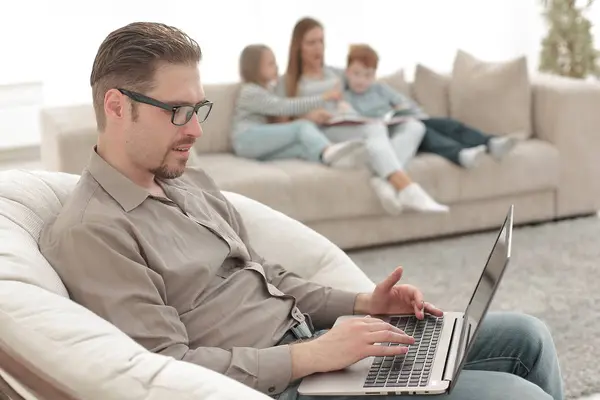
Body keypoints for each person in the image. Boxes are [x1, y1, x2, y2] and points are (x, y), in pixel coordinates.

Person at [38, 21, 563, 400]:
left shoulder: (187, 180)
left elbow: (267, 277)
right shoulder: (94, 231)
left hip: (315, 349)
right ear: (115, 106)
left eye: (198, 109)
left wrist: (364, 304)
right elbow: (165, 370)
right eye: (178, 111)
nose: (196, 129)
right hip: (287, 384)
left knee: (527, 337)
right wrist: (312, 357)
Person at [275, 20, 448, 215]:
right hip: (324, 132)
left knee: (415, 127)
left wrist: (396, 104)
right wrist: (308, 116)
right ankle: (407, 188)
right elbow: (282, 125)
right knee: (373, 128)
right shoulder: (287, 81)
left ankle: (384, 181)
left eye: (321, 41)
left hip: (350, 123)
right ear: (298, 46)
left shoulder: (336, 73)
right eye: (311, 42)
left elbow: (366, 85)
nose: (318, 48)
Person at [340, 44, 519, 169]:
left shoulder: (380, 88)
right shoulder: (345, 97)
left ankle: (490, 142)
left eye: (368, 75)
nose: (362, 80)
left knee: (447, 124)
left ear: (374, 75)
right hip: (393, 135)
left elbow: (404, 102)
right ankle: (460, 155)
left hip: (404, 119)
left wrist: (402, 109)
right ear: (347, 72)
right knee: (424, 132)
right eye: (357, 74)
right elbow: (354, 123)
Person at [231, 44, 366, 169]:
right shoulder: (250, 92)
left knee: (302, 148)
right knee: (302, 127)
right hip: (246, 139)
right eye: (271, 64)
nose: (277, 67)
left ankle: (337, 160)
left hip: (254, 145)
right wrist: (323, 98)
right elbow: (284, 107)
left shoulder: (267, 90)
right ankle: (329, 149)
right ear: (255, 68)